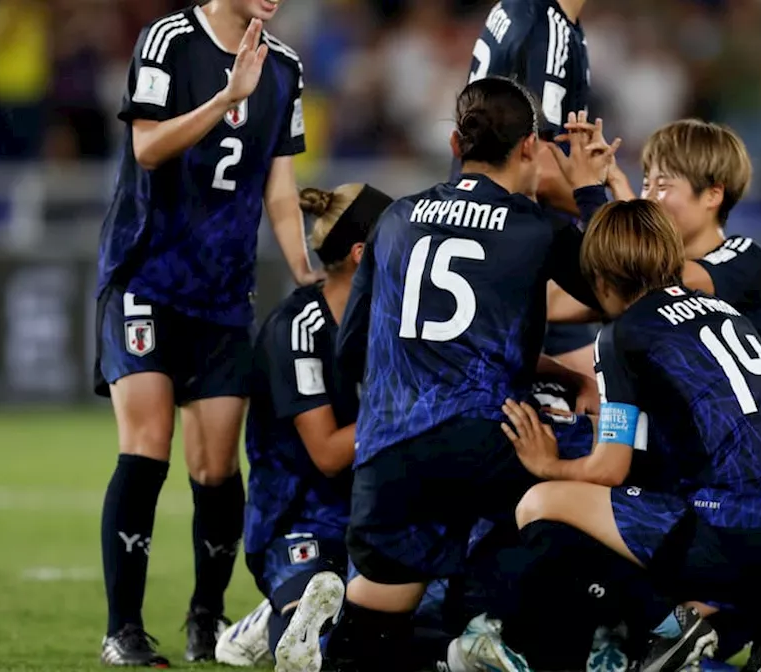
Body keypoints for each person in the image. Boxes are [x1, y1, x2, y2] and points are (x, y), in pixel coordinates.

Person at [317, 76, 616, 671]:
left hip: (390, 456)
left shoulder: (395, 219)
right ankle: (532, 633)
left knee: (371, 635)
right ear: (531, 147)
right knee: (607, 487)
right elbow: (621, 287)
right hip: (490, 445)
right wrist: (587, 190)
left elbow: (350, 351)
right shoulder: (537, 229)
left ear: (456, 142)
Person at [460, 199, 761, 672]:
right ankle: (752, 614)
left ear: (600, 280)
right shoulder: (723, 310)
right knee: (662, 513)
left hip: (739, 538)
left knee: (542, 503)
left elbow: (608, 469)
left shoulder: (625, 335)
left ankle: (656, 628)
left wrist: (547, 463)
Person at [552, 119, 761, 668]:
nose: (651, 194)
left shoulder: (740, 260)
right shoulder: (652, 280)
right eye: (645, 182)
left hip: (721, 477)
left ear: (714, 194)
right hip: (697, 455)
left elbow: (631, 273)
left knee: (593, 501)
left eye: (662, 185)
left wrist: (593, 195)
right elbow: (583, 297)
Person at [93, 0, 315, 665]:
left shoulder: (286, 66)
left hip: (222, 297)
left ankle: (205, 618)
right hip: (146, 280)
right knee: (148, 447)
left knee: (217, 466)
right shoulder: (167, 40)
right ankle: (122, 629)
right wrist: (226, 97)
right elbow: (148, 147)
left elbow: (280, 186)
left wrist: (306, 272)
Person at [213, 184, 392, 670]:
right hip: (296, 517)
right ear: (361, 255)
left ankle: (271, 618)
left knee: (397, 627)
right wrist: (407, 409)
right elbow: (329, 453)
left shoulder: (393, 317)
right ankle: (285, 611)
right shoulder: (297, 329)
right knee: (316, 615)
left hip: (371, 512)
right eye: (394, 236)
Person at [469, 0, 599, 379]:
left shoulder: (537, 14)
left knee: (594, 391)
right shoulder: (547, 25)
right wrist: (606, 212)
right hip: (515, 245)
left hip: (502, 234)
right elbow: (536, 164)